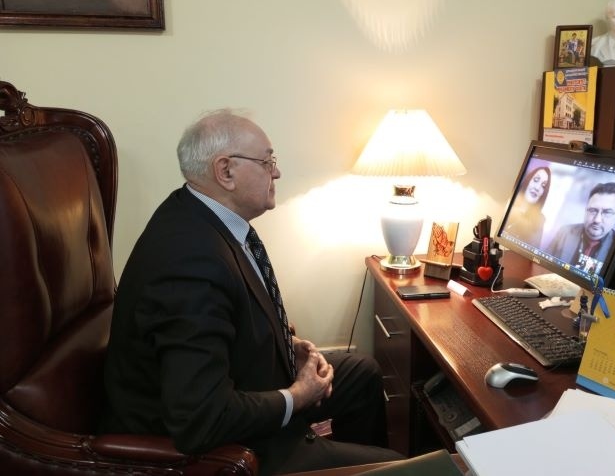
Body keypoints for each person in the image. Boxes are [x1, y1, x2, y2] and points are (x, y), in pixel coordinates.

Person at [100, 109, 403, 475]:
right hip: (231, 447)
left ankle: (348, 457)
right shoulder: (190, 263)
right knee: (401, 469)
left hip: (243, 381)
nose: (277, 172)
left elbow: (231, 318)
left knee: (361, 372)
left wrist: (288, 346)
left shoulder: (197, 213)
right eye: (267, 161)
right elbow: (203, 419)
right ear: (225, 171)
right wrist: (298, 396)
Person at [547, 182, 615, 274]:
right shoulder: (564, 232)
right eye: (593, 210)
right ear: (585, 211)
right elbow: (544, 264)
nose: (597, 220)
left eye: (607, 212)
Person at [505, 166, 551, 247]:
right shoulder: (508, 205)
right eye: (536, 180)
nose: (537, 188)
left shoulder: (539, 220)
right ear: (527, 181)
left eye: (543, 186)